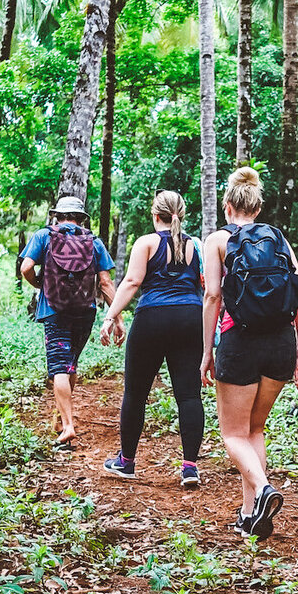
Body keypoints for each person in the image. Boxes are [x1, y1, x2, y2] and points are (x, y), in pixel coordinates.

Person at [202, 167, 298, 540]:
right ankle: (250, 516)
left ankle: (263, 490)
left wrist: (206, 353)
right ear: (258, 208)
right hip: (281, 343)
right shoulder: (278, 238)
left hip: (240, 341)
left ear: (228, 206)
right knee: (255, 428)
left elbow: (213, 296)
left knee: (232, 434)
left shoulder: (216, 240)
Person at [99, 189, 205, 488]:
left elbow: (132, 281)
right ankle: (189, 467)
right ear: (181, 214)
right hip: (190, 317)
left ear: (154, 214)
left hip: (152, 318)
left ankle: (127, 462)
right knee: (188, 395)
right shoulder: (197, 245)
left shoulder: (146, 242)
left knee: (135, 393)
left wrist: (111, 317)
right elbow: (208, 286)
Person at [21, 195, 116, 448]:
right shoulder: (93, 242)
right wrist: (116, 316)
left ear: (57, 216)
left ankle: (68, 426)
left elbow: (26, 267)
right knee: (70, 363)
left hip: (54, 310)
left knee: (59, 368)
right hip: (85, 311)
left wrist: (39, 284)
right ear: (81, 218)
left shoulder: (44, 236)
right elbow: (105, 283)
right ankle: (61, 419)